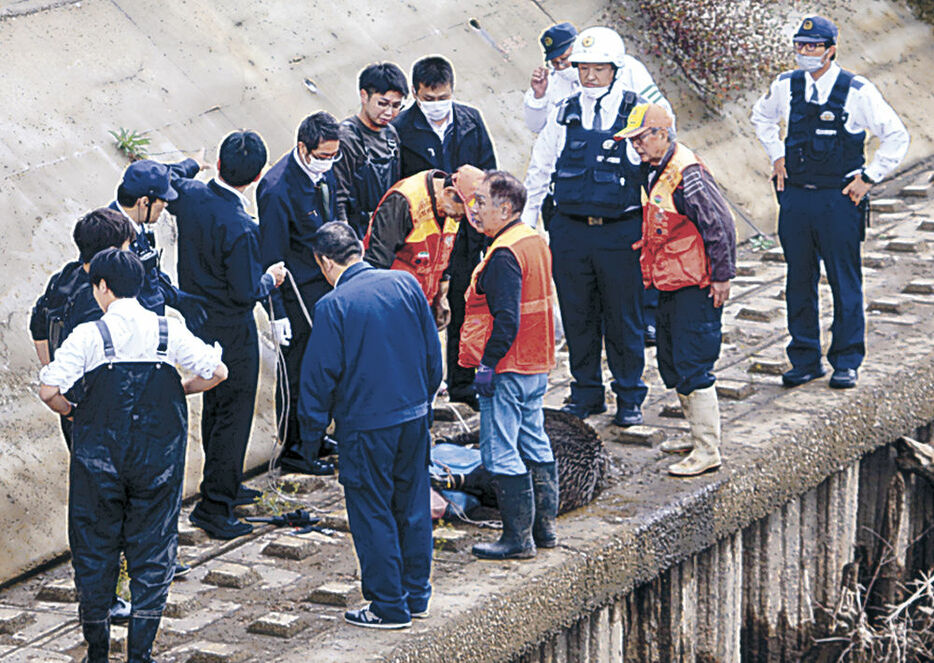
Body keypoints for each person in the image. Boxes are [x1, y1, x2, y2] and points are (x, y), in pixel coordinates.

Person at [38, 248, 227, 663]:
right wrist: (184, 389)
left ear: (103, 287)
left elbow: (49, 389)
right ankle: (140, 653)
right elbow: (218, 371)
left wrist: (72, 411)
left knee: (94, 550)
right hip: (157, 458)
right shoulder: (168, 330)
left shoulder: (90, 335)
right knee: (154, 549)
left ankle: (98, 653)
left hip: (97, 461)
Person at [521, 26, 672, 427]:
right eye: (583, 68)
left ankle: (629, 394)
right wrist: (524, 227)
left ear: (615, 69)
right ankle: (585, 391)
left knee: (625, 316)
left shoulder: (637, 112)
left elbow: (660, 168)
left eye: (598, 69)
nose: (589, 77)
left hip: (620, 231)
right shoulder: (564, 111)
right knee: (578, 313)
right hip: (570, 230)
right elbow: (540, 170)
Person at [751, 16, 909, 390]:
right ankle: (804, 358)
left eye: (814, 46)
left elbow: (896, 136)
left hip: (838, 199)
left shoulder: (856, 90)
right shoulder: (785, 86)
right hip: (796, 198)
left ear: (831, 49)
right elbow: (762, 118)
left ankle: (847, 359)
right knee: (798, 279)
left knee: (844, 280)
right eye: (801, 46)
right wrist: (777, 155)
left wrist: (868, 178)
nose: (806, 53)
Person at [298, 222, 442, 629]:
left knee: (372, 511)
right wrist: (423, 400)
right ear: (359, 248)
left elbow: (319, 377)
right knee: (413, 504)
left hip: (365, 426)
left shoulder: (333, 305)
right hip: (413, 415)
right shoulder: (406, 284)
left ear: (325, 262)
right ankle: (416, 595)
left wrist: (311, 437)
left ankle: (388, 605)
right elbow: (432, 353)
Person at [170, 130, 287, 539]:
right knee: (234, 415)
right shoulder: (240, 227)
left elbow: (164, 176)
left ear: (218, 165)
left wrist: (190, 164)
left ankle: (223, 482)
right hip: (233, 327)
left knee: (216, 411)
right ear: (256, 179)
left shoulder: (190, 195)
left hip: (198, 319)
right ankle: (216, 506)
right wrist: (270, 280)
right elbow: (246, 291)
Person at [617, 103, 736, 476]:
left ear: (662, 134)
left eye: (640, 139)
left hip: (695, 284)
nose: (635, 146)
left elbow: (720, 226)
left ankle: (707, 448)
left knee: (694, 360)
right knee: (672, 358)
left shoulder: (688, 174)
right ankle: (695, 435)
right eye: (632, 140)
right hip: (671, 280)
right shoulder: (657, 170)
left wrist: (721, 277)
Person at [457, 171, 559, 559]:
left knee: (501, 451)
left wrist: (487, 365)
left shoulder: (503, 255)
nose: (475, 209)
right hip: (536, 364)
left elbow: (507, 319)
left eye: (481, 202)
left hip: (509, 367)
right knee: (534, 440)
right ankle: (545, 531)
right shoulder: (532, 239)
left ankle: (517, 539)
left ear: (505, 207)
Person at [393, 55, 497, 409]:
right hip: (424, 239)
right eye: (429, 99)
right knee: (422, 314)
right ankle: (418, 388)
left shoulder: (470, 121)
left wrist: (486, 232)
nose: (437, 106)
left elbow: (489, 175)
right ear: (415, 93)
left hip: (466, 236)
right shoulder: (402, 129)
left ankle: (462, 384)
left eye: (443, 98)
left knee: (464, 309)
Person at [257, 112, 340, 476]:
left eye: (333, 155)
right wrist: (276, 311)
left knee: (324, 370)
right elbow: (271, 255)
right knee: (298, 372)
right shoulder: (278, 189)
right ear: (303, 148)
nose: (328, 162)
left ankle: (315, 436)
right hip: (296, 292)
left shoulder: (324, 174)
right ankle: (294, 447)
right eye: (322, 155)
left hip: (325, 286)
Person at [363, 164, 484, 328]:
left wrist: (441, 297)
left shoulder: (451, 207)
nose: (459, 219)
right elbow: (376, 264)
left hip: (419, 307)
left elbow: (444, 255)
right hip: (390, 307)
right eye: (462, 213)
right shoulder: (405, 200)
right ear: (449, 193)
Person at [109, 159, 207, 330]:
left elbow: (167, 172)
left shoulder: (132, 219)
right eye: (162, 200)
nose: (165, 204)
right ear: (144, 202)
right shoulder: (116, 242)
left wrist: (193, 163)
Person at [333, 62, 408, 239]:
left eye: (396, 106)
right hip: (357, 233)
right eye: (382, 103)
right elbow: (338, 199)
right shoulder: (346, 138)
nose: (389, 112)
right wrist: (347, 241)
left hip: (387, 231)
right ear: (364, 96)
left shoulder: (391, 135)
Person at [523, 22, 579, 134]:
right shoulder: (549, 81)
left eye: (565, 58)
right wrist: (538, 96)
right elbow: (535, 127)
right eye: (555, 63)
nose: (561, 66)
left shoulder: (607, 71)